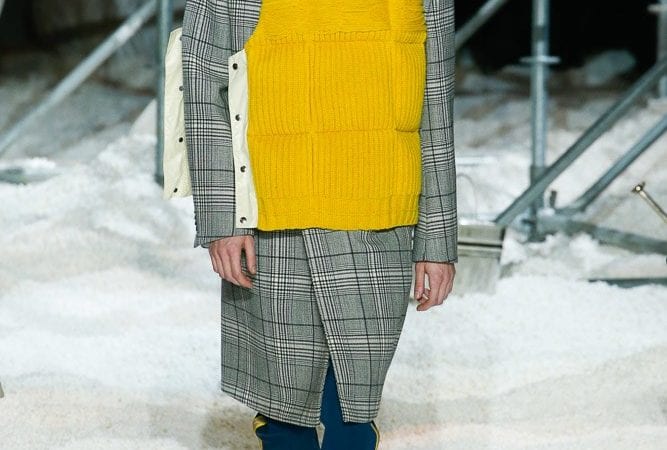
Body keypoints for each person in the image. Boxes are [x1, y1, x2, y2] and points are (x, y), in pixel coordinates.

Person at [181, 0, 457, 448]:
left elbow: (436, 107)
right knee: (284, 408)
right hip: (271, 212)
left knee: (354, 407)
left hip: (379, 210)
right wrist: (225, 218)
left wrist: (437, 241)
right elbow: (204, 88)